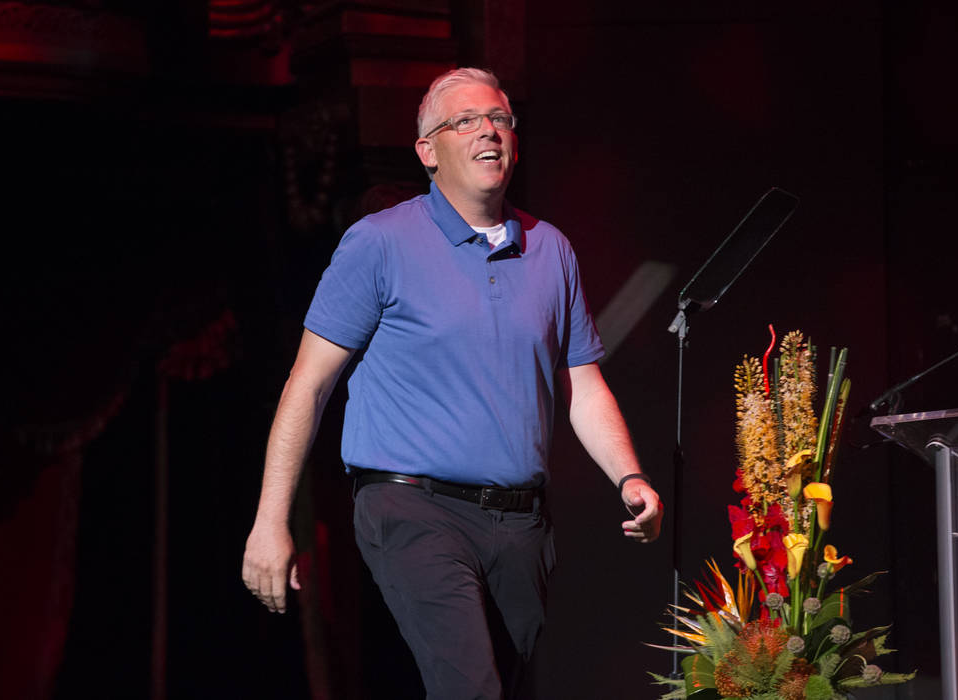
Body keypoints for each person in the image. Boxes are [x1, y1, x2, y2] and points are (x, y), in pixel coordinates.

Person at [242, 67, 663, 699]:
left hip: (521, 524)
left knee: (498, 686)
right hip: (412, 506)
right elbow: (308, 385)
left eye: (500, 119)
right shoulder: (381, 243)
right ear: (427, 151)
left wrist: (630, 477)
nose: (488, 131)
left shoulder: (550, 251)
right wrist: (271, 521)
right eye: (464, 121)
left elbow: (582, 383)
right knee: (471, 688)